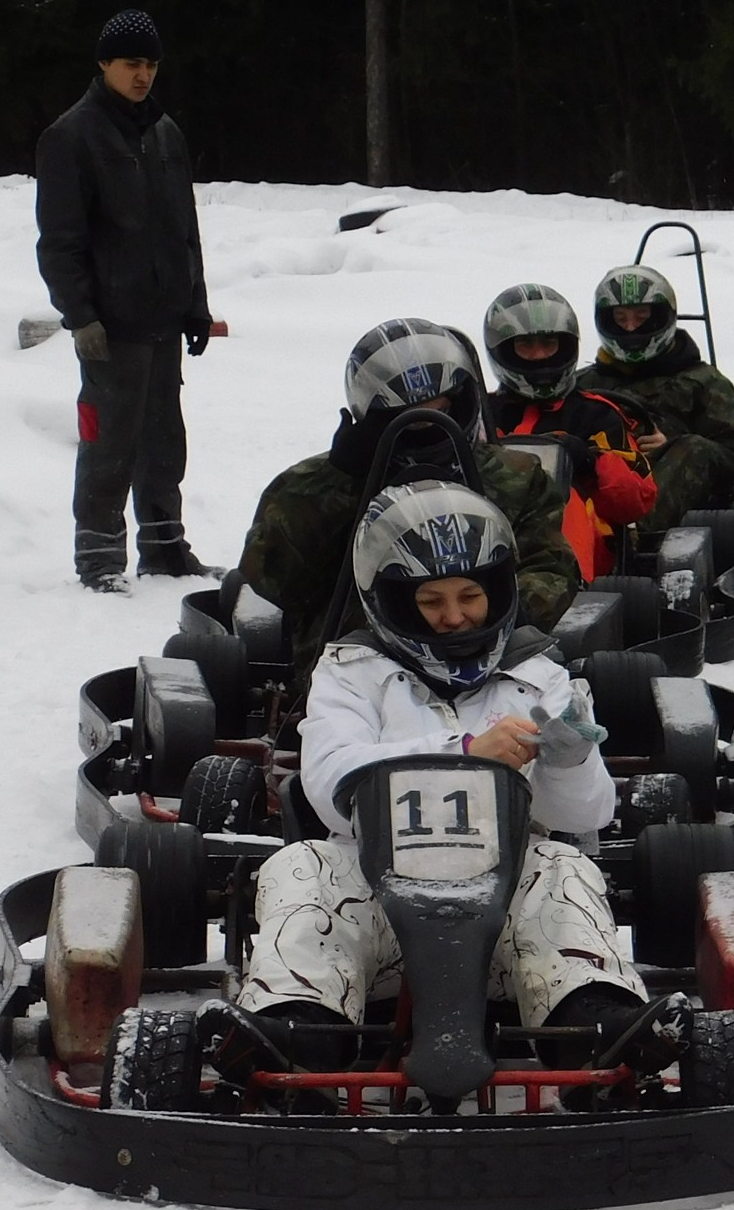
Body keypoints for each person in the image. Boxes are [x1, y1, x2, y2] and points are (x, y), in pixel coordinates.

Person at [218, 480, 647, 1070]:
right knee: (301, 864)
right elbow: (328, 777)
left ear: (498, 591)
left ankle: (591, 1020)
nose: (454, 617)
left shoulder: (537, 675)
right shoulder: (351, 671)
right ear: (393, 601)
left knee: (563, 863)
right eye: (431, 602)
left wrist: (569, 759)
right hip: (377, 914)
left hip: (505, 929)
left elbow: (587, 816)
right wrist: (468, 751)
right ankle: (301, 1028)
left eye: (470, 596)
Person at [239, 318, 578, 692]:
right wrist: (340, 481)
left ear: (462, 402)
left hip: (487, 654)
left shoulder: (517, 476)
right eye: (407, 416)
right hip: (359, 664)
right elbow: (272, 577)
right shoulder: (309, 484)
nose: (426, 423)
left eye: (439, 409)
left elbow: (552, 566)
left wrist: (493, 614)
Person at [34, 8, 218, 591]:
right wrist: (80, 315)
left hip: (164, 319)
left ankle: (164, 548)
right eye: (132, 64)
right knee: (109, 441)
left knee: (165, 442)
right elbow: (60, 242)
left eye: (151, 64)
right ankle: (99, 558)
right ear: (104, 64)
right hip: (110, 327)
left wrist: (196, 305)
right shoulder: (70, 136)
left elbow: (185, 231)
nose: (143, 76)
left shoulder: (167, 134)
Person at [481, 282, 657, 579]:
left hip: (587, 545)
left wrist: (592, 462)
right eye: (526, 346)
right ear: (503, 351)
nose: (539, 356)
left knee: (567, 500)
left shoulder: (597, 413)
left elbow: (635, 501)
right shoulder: (481, 414)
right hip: (491, 534)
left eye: (548, 344)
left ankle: (558, 592)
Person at [573, 266, 734, 530]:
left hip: (663, 482)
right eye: (621, 319)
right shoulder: (583, 384)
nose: (631, 327)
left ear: (661, 318)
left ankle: (632, 534)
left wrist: (670, 445)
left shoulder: (703, 381)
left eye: (641, 317)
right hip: (598, 482)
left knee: (694, 449)